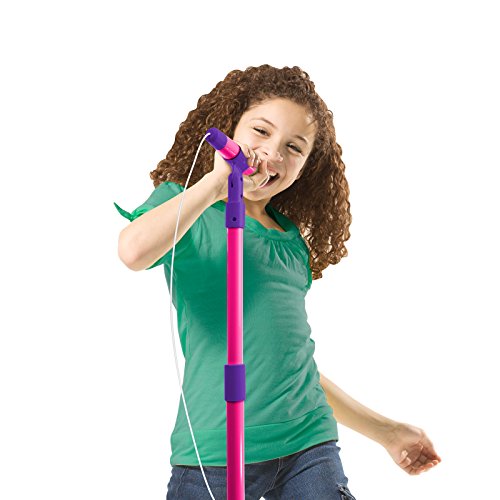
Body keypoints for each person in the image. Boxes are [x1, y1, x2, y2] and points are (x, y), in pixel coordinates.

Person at [114, 65, 441, 499]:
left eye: (293, 147)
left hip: (307, 444)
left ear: (305, 168)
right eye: (261, 131)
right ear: (231, 127)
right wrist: (216, 184)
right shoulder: (187, 207)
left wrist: (387, 431)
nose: (271, 152)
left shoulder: (290, 241)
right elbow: (133, 252)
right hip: (213, 450)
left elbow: (292, 367)